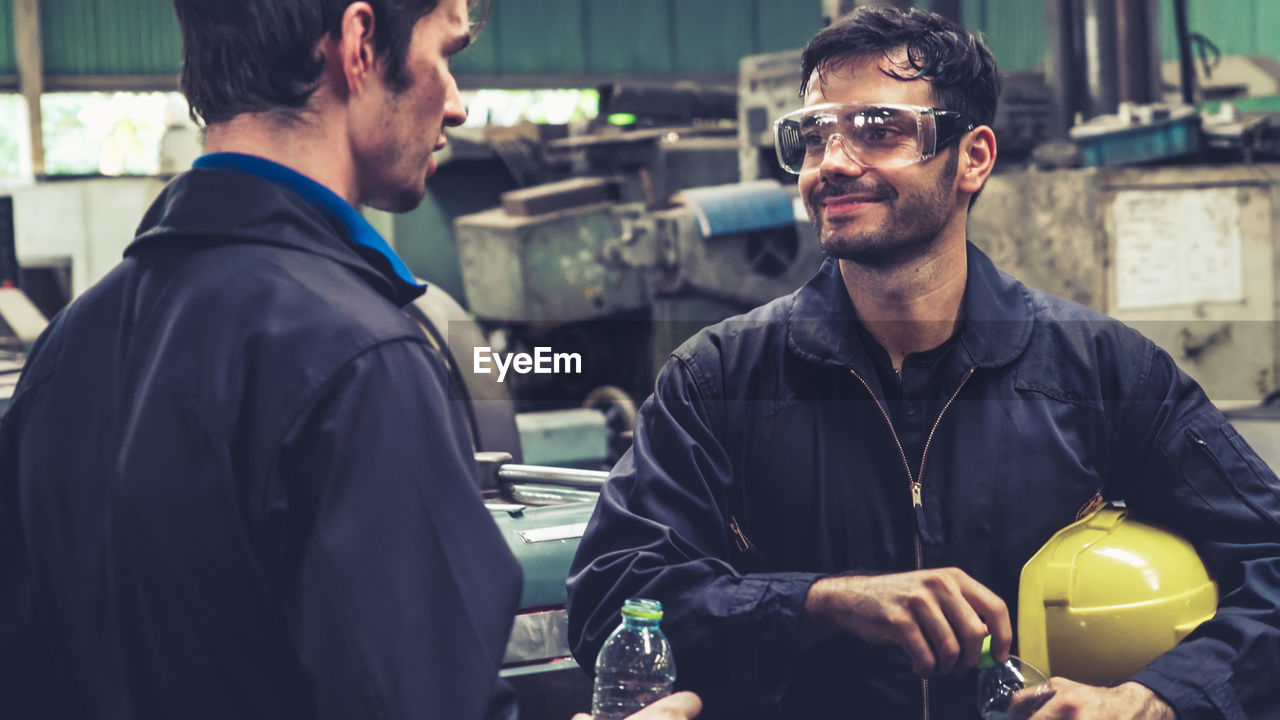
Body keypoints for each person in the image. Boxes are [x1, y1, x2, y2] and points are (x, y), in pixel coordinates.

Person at [566, 7, 1280, 720]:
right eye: (815, 136)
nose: (835, 163)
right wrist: (824, 602)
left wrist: (1158, 695)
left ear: (973, 157)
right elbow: (611, 603)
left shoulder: (1101, 373)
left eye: (878, 131)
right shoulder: (717, 380)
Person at [0, 1, 701, 719]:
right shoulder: (362, 363)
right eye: (446, 54)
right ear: (361, 43)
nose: (456, 105)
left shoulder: (66, 351)